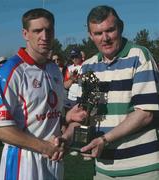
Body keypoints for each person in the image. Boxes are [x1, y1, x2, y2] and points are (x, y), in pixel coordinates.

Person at [0, 8, 87, 180]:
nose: (44, 36)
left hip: (53, 158)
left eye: (49, 30)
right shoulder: (10, 72)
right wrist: (44, 147)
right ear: (25, 33)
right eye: (37, 31)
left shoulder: (54, 69)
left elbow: (50, 115)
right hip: (23, 161)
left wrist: (67, 119)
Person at [70, 5, 159, 180]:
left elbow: (145, 114)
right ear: (90, 36)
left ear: (120, 27)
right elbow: (85, 113)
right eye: (98, 33)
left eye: (110, 30)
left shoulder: (140, 56)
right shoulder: (88, 66)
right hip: (103, 167)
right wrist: (66, 137)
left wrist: (105, 139)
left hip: (141, 167)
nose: (105, 38)